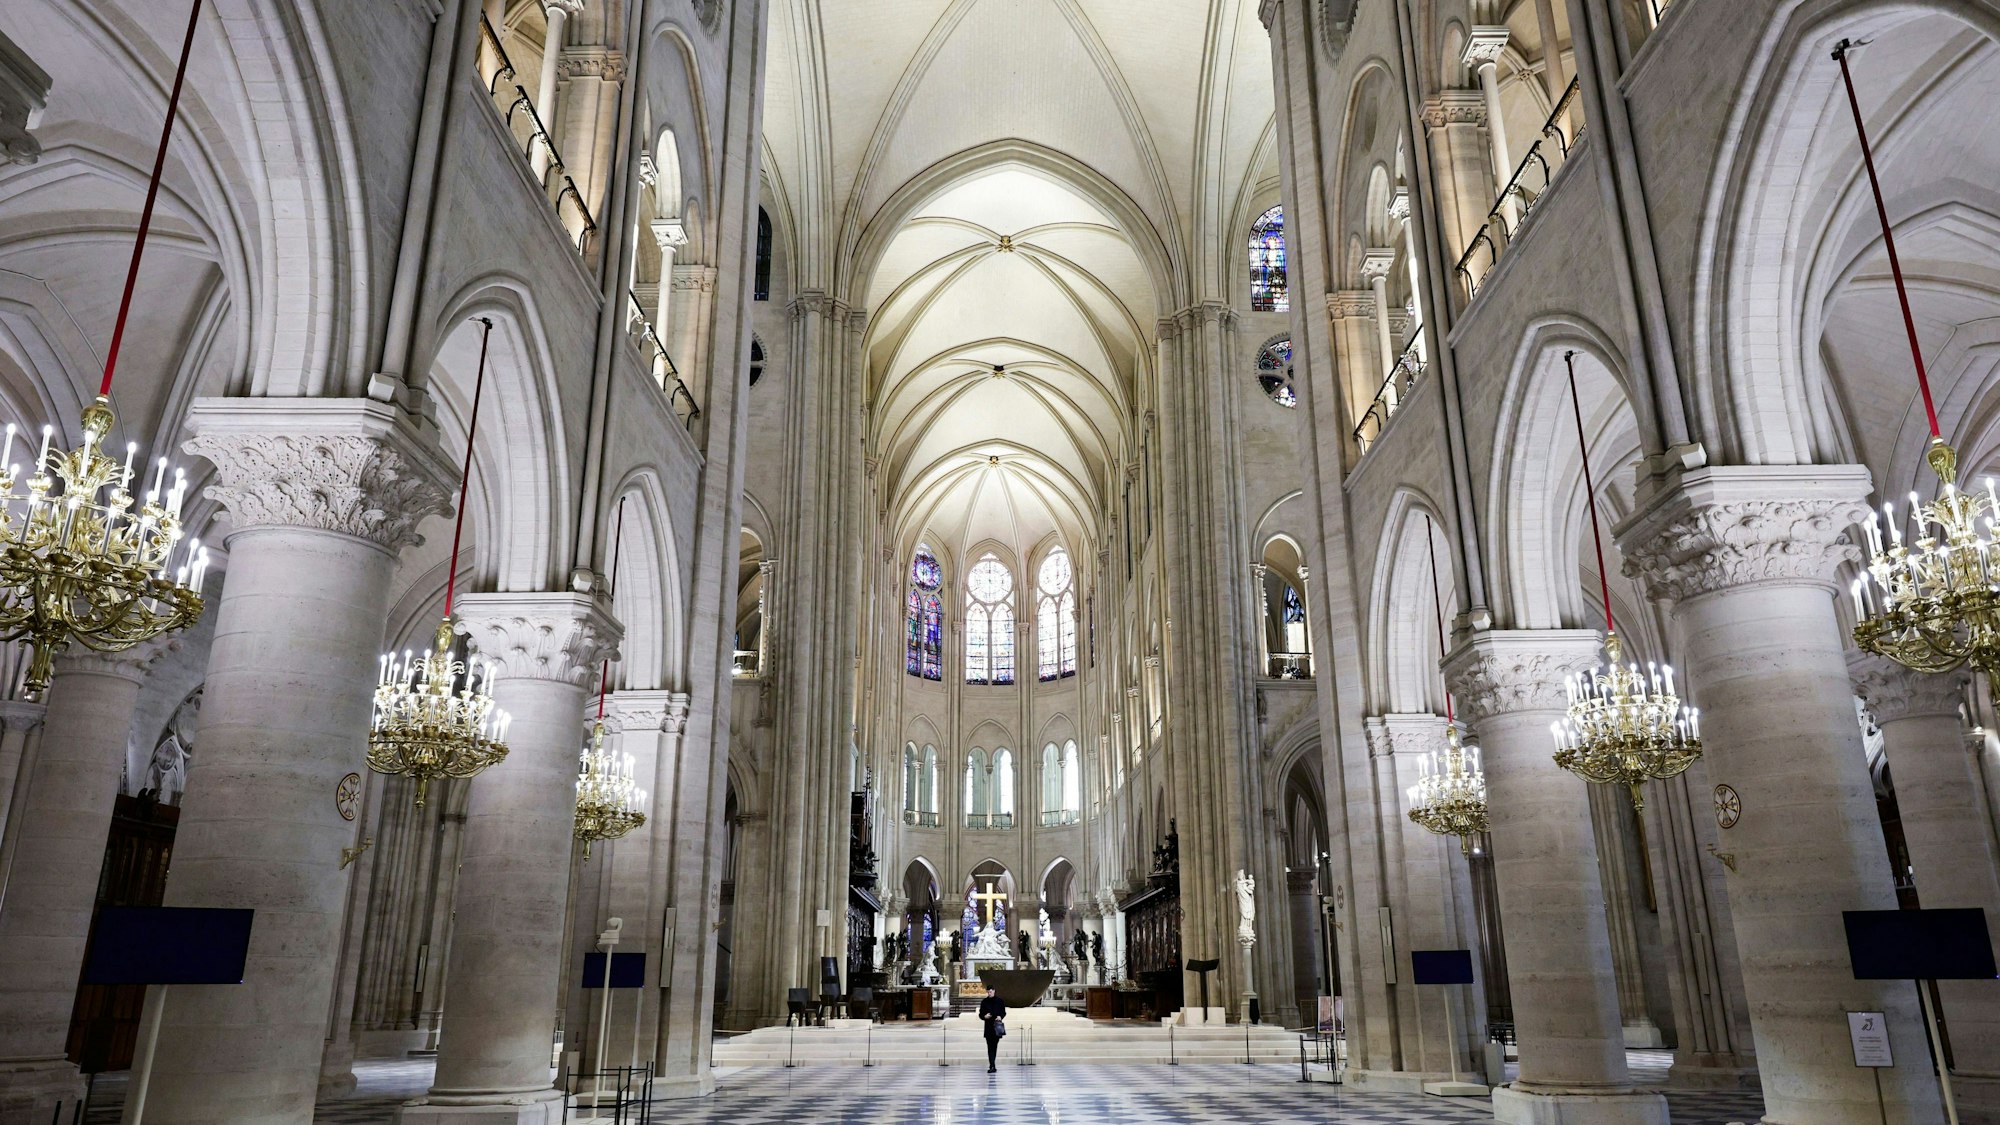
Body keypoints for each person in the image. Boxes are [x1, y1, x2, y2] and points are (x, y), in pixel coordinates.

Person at [978, 989, 1007, 1072]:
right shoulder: (984, 1002)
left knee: (994, 1046)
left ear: (994, 991)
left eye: (990, 991)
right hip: (988, 1026)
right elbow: (980, 1014)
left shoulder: (1000, 1001)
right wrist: (984, 1016)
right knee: (990, 1046)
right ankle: (992, 1065)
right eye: (988, 992)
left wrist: (1000, 1016)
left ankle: (992, 1064)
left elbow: (1003, 1012)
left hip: (997, 1026)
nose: (989, 993)